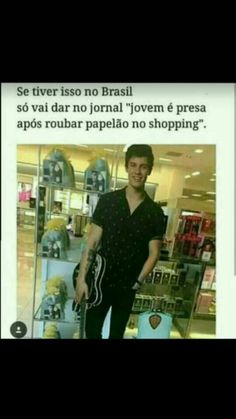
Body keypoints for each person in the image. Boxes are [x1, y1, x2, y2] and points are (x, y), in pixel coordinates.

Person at [75, 144, 166, 339]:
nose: (138, 171)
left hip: (128, 285)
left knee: (117, 334)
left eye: (143, 166)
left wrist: (137, 282)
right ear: (126, 167)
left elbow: (154, 253)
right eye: (133, 165)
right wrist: (82, 279)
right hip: (100, 280)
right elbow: (92, 242)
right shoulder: (108, 201)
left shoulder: (155, 213)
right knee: (91, 331)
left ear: (149, 169)